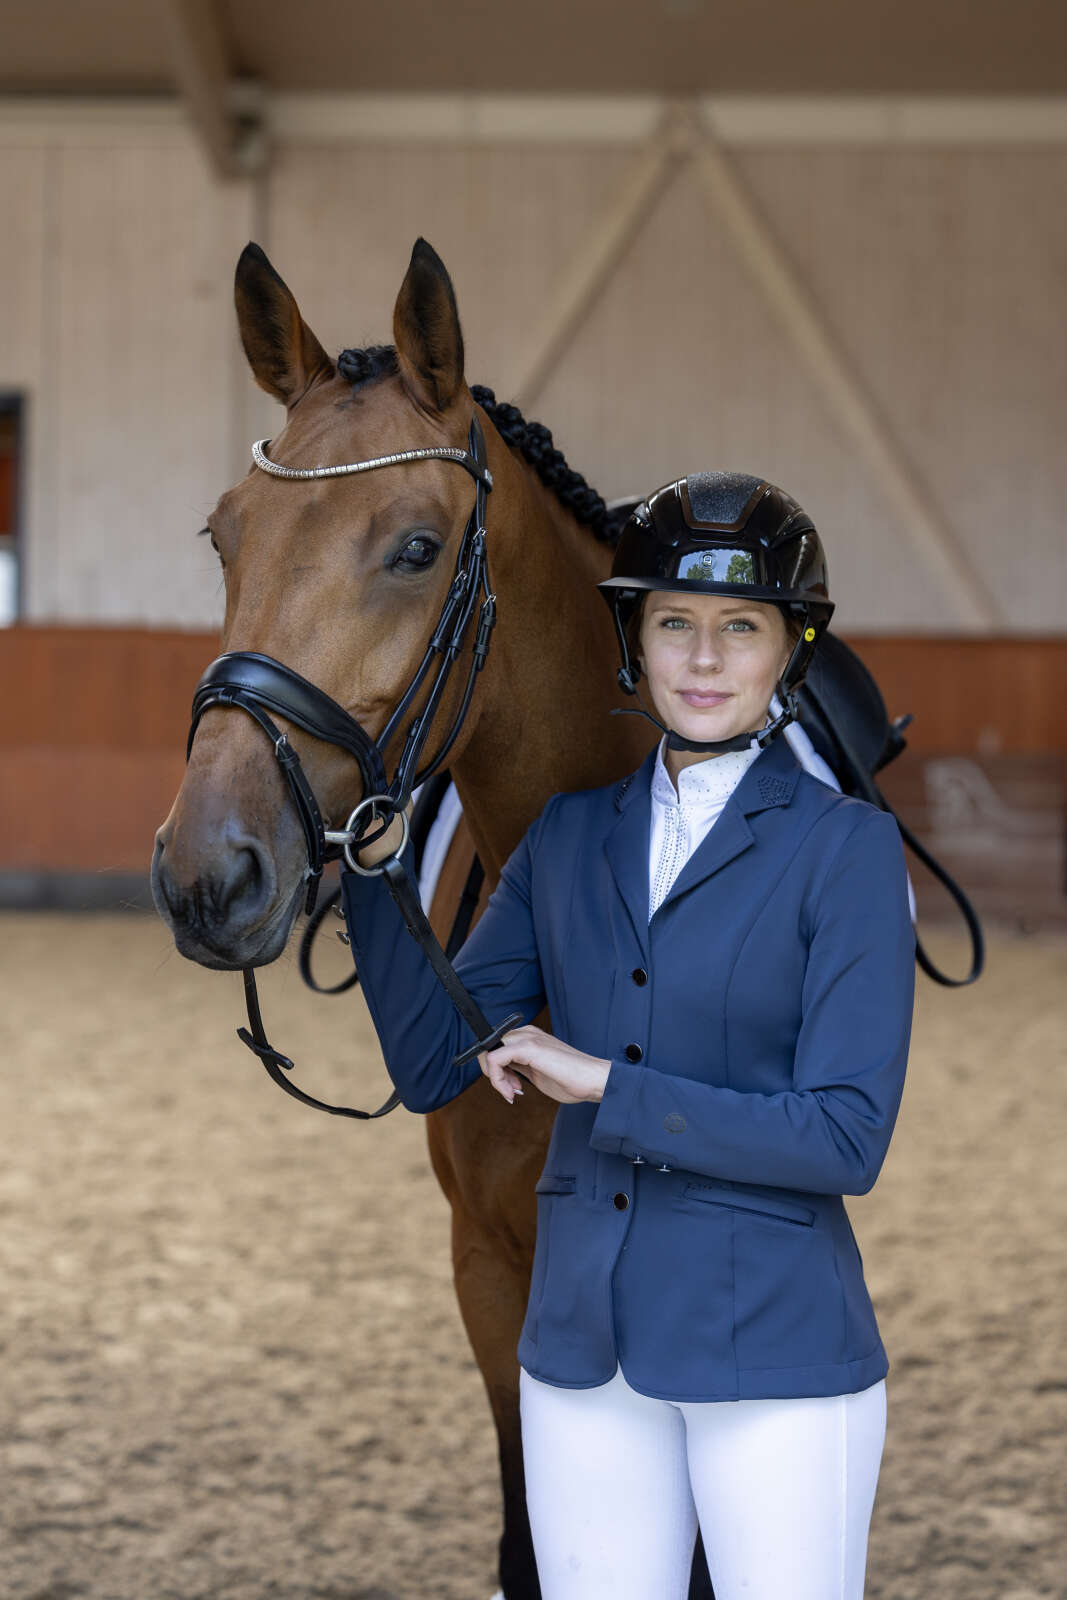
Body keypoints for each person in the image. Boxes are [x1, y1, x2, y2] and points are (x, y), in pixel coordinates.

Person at [342, 470, 916, 1600]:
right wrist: (371, 881)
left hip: (775, 1357)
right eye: (673, 625)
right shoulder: (562, 839)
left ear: (787, 651)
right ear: (633, 641)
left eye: (738, 628)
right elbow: (429, 1062)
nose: (702, 660)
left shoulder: (845, 851)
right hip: (578, 1356)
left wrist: (603, 1082)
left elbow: (845, 1138)